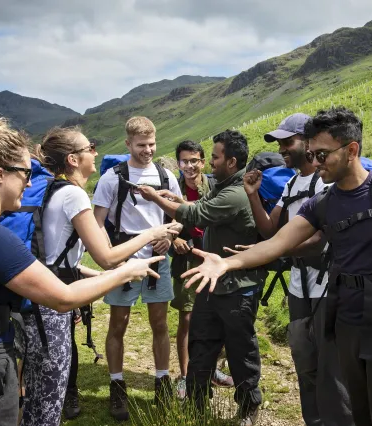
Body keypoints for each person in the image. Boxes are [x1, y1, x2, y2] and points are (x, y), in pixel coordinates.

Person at [181, 107, 372, 426]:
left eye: (322, 154)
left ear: (351, 150)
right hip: (345, 322)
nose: (316, 161)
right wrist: (227, 263)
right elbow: (278, 242)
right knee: (355, 410)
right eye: (312, 153)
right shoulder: (323, 203)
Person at [0, 95, 165, 426]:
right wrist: (126, 269)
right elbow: (63, 297)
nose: (30, 183)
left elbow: (37, 266)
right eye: (24, 174)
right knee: (44, 409)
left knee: (29, 401)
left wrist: (90, 273)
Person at [20, 127, 180, 426]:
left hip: (39, 292)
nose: (95, 153)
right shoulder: (74, 195)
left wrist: (99, 275)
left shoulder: (51, 189)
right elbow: (106, 257)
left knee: (35, 391)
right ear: (72, 159)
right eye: (89, 147)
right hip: (53, 303)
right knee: (48, 396)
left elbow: (58, 256)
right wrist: (152, 234)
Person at [139, 130, 267, 426]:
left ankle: (249, 407)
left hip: (237, 289)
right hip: (212, 285)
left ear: (231, 162)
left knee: (240, 351)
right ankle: (197, 406)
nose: (210, 162)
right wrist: (176, 199)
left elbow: (197, 215)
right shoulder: (225, 187)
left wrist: (155, 199)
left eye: (216, 157)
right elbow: (198, 205)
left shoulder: (235, 194)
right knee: (200, 345)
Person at [240, 113, 353, 426]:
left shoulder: (325, 182)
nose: (281, 149)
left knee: (332, 368)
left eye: (287, 142)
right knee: (304, 360)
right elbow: (270, 230)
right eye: (279, 144)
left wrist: (270, 250)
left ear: (308, 142)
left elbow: (318, 241)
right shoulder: (291, 183)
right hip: (299, 286)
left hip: (327, 286)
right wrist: (253, 196)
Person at [92, 116, 183, 421]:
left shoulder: (166, 176)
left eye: (152, 144)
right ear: (128, 143)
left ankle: (162, 383)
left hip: (158, 257)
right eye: (141, 145)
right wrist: (112, 256)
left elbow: (178, 215)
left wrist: (170, 237)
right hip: (125, 257)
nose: (148, 150)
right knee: (118, 324)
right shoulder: (112, 178)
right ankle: (117, 385)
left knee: (160, 323)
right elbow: (97, 223)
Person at [169, 140, 234, 400]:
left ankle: (210, 369)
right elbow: (162, 222)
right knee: (187, 317)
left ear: (203, 162)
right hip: (186, 260)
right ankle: (186, 375)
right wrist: (174, 240)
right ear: (178, 163)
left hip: (214, 258)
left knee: (216, 315)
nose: (189, 166)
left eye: (194, 160)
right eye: (184, 161)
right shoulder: (172, 187)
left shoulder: (215, 186)